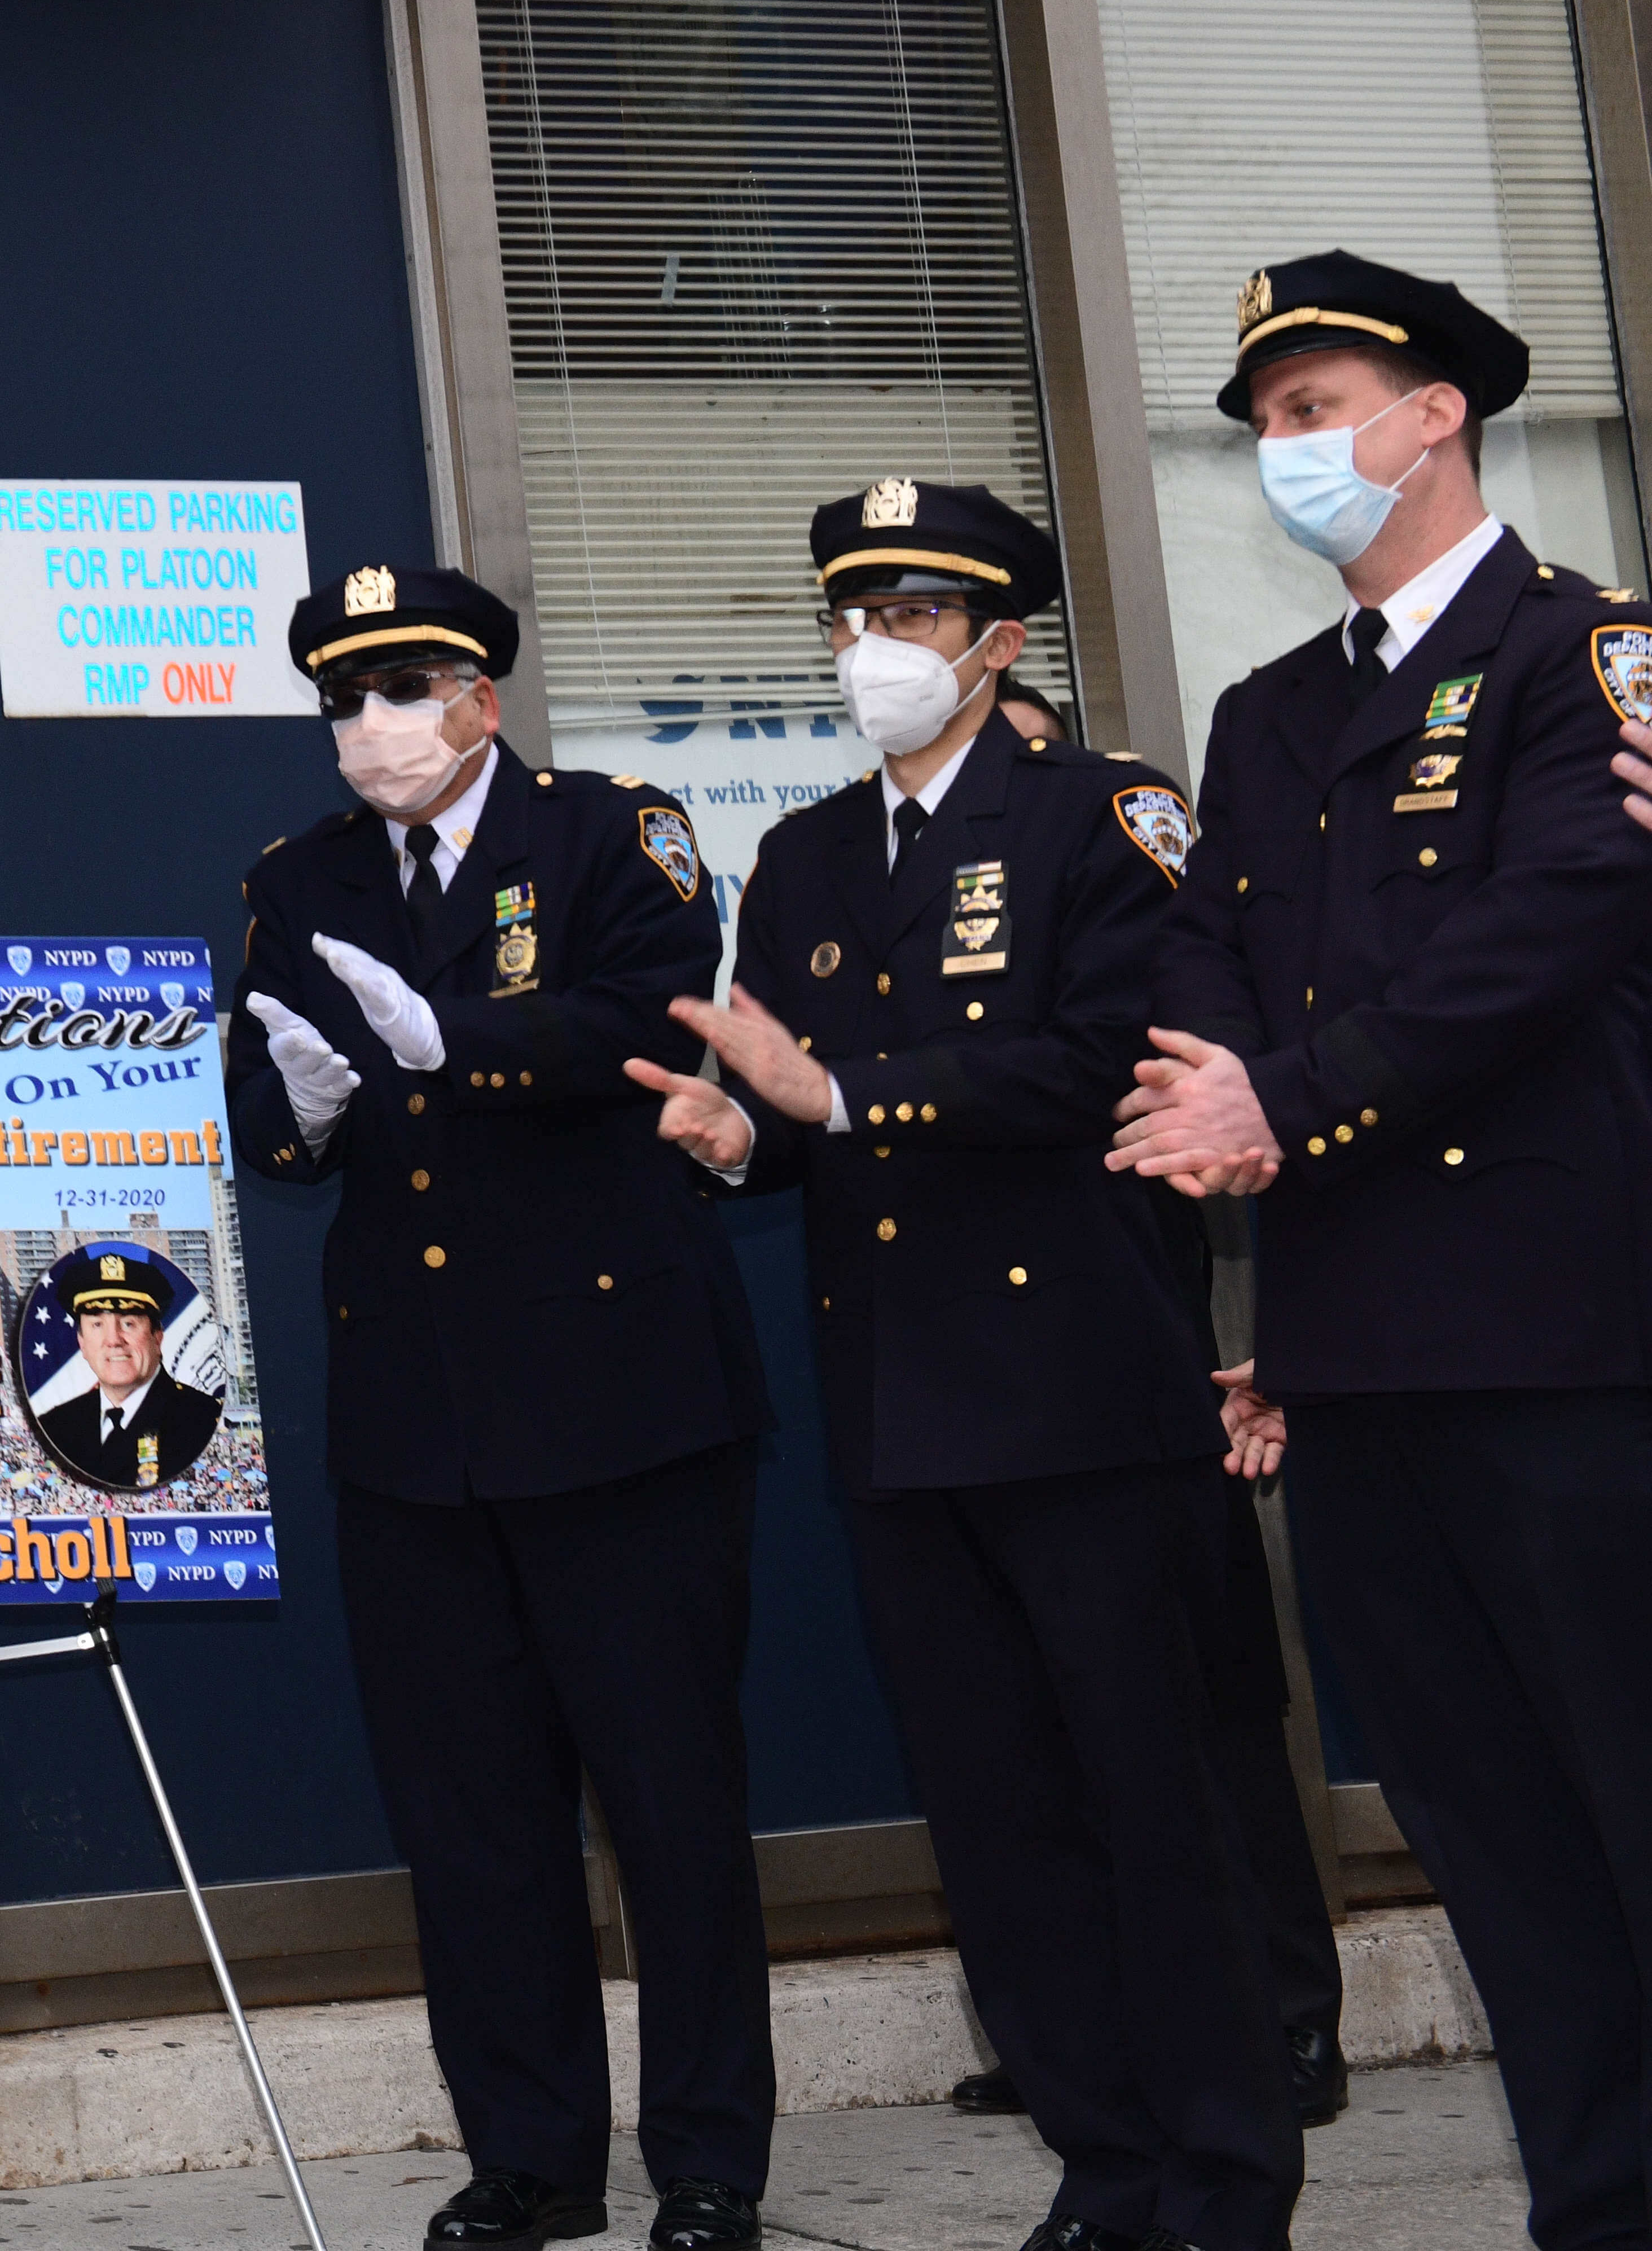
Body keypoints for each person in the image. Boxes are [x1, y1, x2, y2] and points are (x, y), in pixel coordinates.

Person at [632, 483, 1294, 2251]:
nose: (872, 650)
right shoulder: (807, 858)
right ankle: (1103, 2157)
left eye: (913, 616)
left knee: (1153, 1801)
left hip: (1082, 1391)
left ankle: (1224, 2174)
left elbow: (1112, 1061)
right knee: (998, 1819)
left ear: (1001, 641)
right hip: (899, 1405)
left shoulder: (1103, 815)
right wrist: (729, 1139)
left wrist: (842, 1099)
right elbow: (788, 1120)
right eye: (849, 616)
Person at [1113, 252, 1652, 2251]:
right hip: (1354, 1356)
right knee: (1485, 1836)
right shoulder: (1268, 715)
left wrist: (1281, 1098)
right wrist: (1203, 1085)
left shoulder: (1579, 651)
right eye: (1259, 417)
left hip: (1556, 1342)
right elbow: (1201, 955)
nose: (1284, 446)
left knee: (1626, 1802)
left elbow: (1545, 934)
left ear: (1436, 412)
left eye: (1317, 400)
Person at [223, 563, 767, 2251]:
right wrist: (302, 1107)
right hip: (415, 1414)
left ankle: (704, 2163)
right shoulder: (296, 874)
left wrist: (452, 1035)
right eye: (344, 697)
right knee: (471, 1820)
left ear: (481, 696)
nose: (371, 724)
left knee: (667, 1800)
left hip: (618, 1398)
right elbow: (261, 1098)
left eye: (404, 687)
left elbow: (649, 1011)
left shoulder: (614, 832)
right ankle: (530, 2155)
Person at [959, 687, 1355, 2136]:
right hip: (987, 1368)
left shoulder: (1117, 831)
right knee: (1050, 1742)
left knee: (1208, 1721)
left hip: (1137, 1338)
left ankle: (1287, 2016)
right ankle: (1091, 2027)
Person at [21, 1247, 219, 1492]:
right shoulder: (56, 1426)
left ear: (157, 1337)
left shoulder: (203, 1419)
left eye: (129, 1323)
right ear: (82, 1344)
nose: (113, 1340)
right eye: (97, 1325)